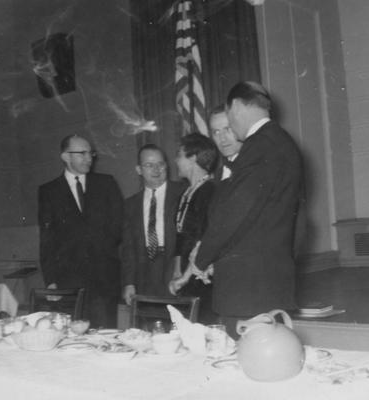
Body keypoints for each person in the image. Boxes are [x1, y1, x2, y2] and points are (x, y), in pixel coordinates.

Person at [186, 81, 304, 338]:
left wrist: (202, 258)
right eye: (215, 132)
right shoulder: (279, 141)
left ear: (237, 107)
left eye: (228, 121)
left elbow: (236, 213)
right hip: (256, 285)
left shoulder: (260, 145)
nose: (224, 136)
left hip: (251, 290)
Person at [38, 134, 123, 328]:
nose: (89, 158)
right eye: (82, 153)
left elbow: (118, 226)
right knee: (73, 338)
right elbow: (47, 239)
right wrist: (51, 280)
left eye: (90, 153)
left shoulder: (106, 183)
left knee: (105, 337)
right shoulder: (48, 191)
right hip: (68, 281)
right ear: (66, 157)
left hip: (104, 280)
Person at [121, 144, 185, 305]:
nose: (156, 169)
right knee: (147, 324)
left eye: (160, 164)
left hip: (174, 268)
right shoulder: (130, 204)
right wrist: (129, 283)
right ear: (139, 170)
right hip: (144, 271)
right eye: (149, 165)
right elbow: (128, 248)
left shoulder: (184, 192)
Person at [169, 133, 219, 324]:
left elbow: (203, 239)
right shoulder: (187, 193)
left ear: (192, 159)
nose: (176, 160)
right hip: (185, 272)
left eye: (179, 155)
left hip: (200, 273)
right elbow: (181, 237)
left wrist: (187, 275)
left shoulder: (209, 191)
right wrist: (177, 270)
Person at [209, 105, 242, 181]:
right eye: (216, 132)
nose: (222, 139)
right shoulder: (218, 175)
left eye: (228, 129)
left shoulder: (256, 165)